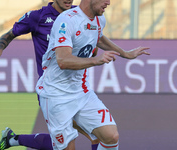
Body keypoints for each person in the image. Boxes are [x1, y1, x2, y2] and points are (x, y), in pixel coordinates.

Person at [0, 0, 99, 150]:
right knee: (82, 140)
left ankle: (12, 139)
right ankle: (13, 140)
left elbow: (92, 41)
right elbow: (9, 34)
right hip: (52, 92)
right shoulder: (38, 17)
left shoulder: (80, 14)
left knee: (95, 136)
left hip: (76, 90)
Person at [35, 0, 150, 149]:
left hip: (81, 92)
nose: (108, 2)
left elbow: (99, 37)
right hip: (55, 94)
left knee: (111, 136)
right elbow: (63, 61)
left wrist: (125, 54)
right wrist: (96, 60)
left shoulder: (99, 18)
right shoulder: (66, 20)